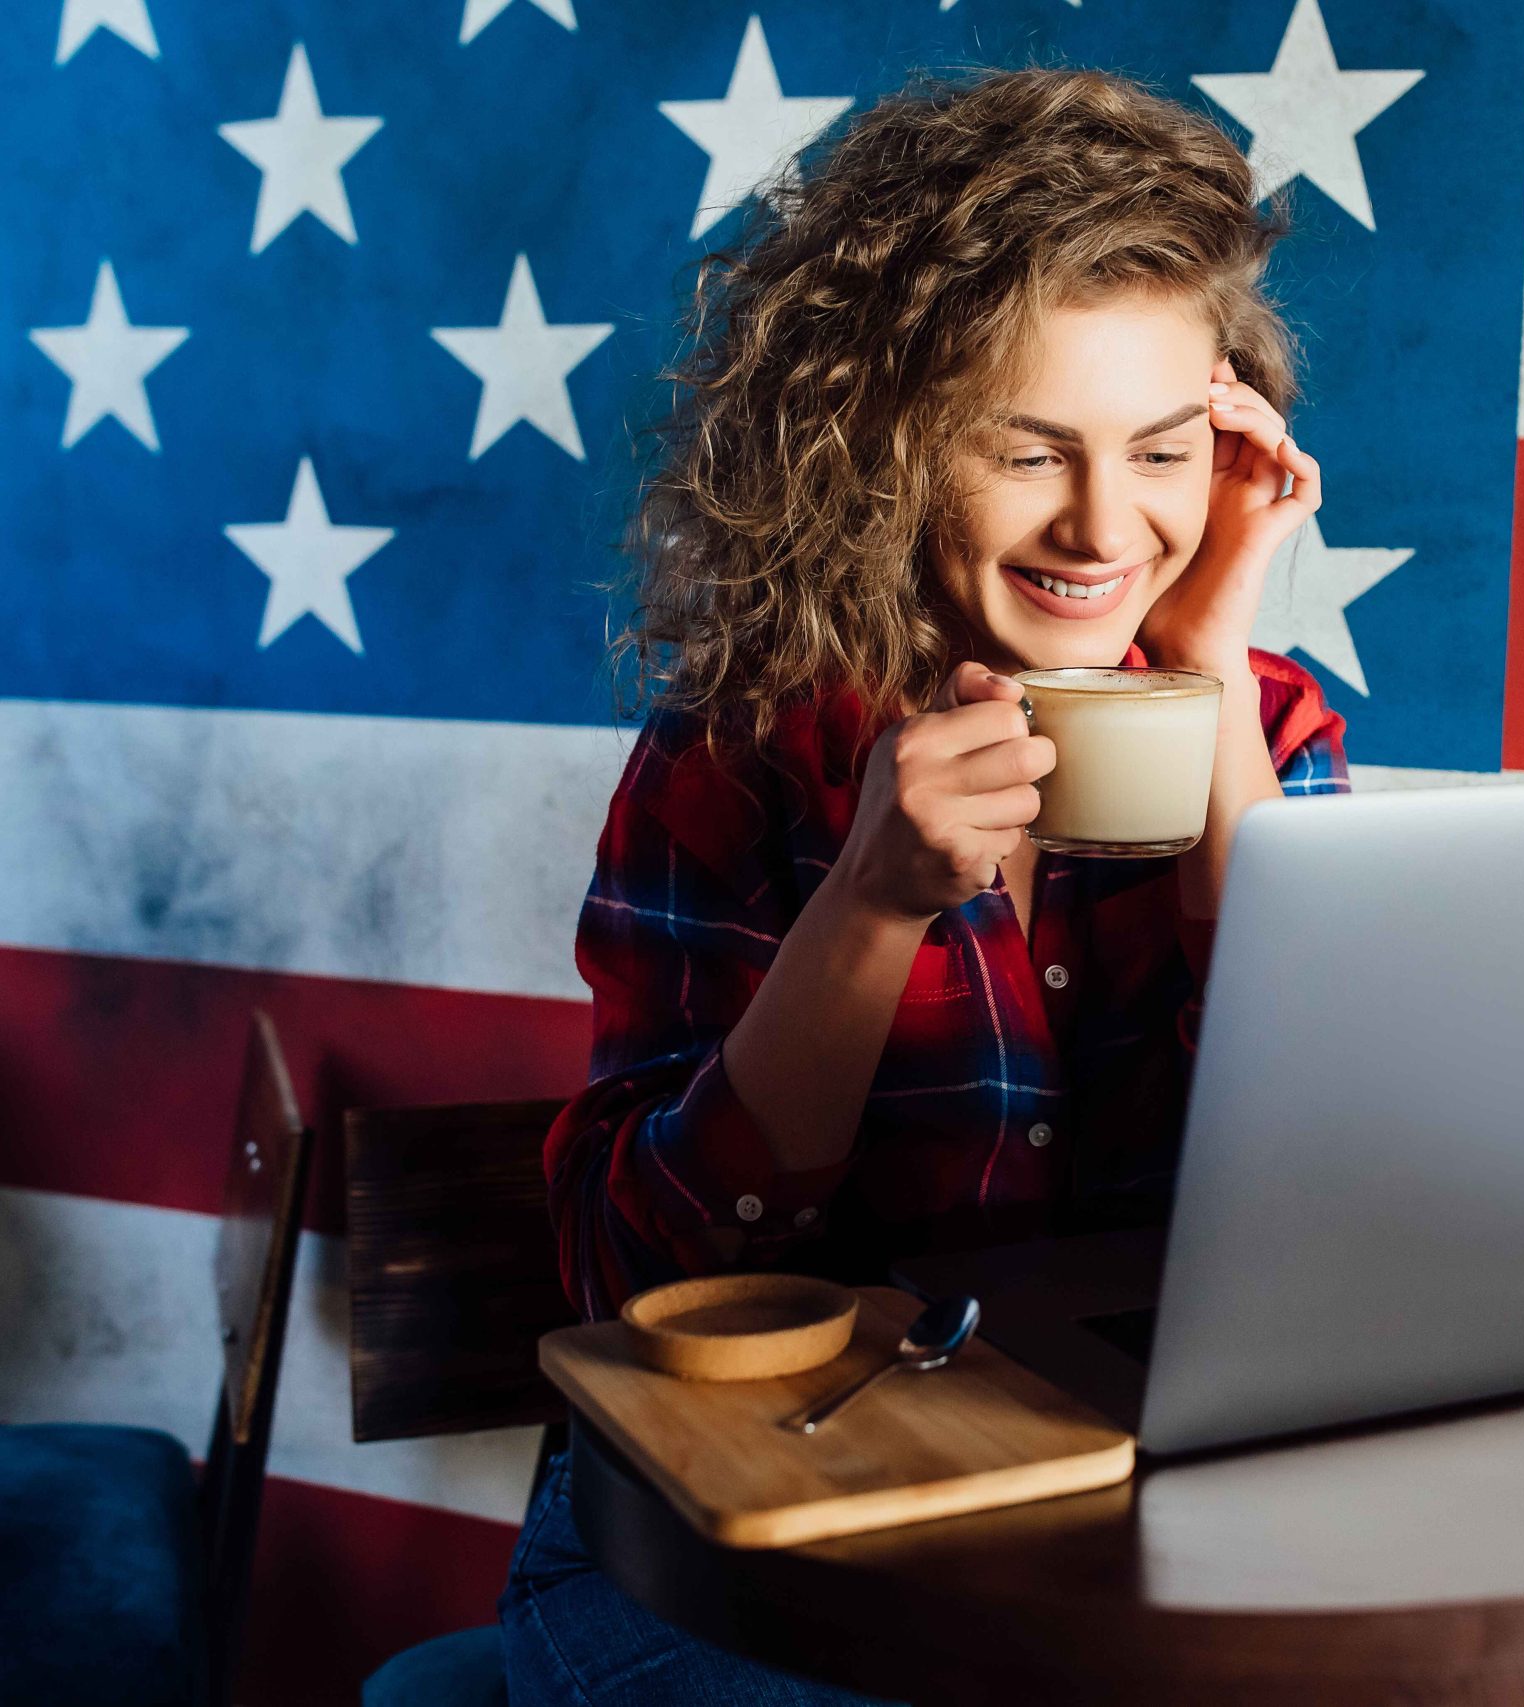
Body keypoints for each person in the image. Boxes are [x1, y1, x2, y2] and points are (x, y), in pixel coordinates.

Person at [498, 64, 1350, 1706]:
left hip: (1089, 1535)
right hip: (729, 1548)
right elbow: (642, 1282)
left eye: (1164, 450)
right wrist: (872, 903)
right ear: (882, 450)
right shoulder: (745, 746)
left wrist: (1212, 671)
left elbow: (1342, 1168)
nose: (1108, 523)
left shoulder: (1269, 722)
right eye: (1025, 452)